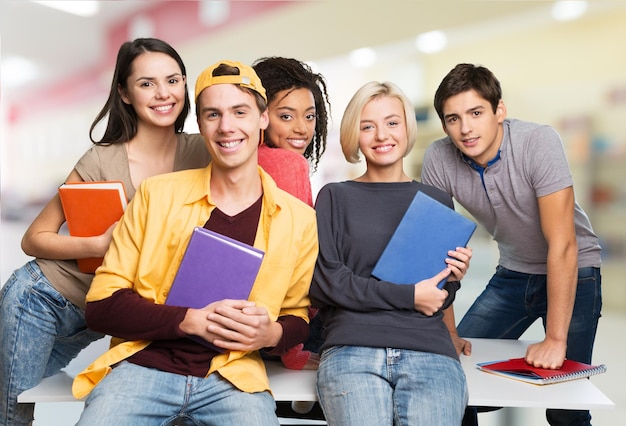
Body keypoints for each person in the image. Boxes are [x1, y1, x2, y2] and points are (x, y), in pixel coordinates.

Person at [71, 60, 318, 426]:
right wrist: (189, 321)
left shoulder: (298, 218)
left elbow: (297, 315)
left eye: (240, 112)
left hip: (232, 377)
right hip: (143, 367)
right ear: (200, 124)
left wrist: (272, 333)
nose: (227, 126)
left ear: (262, 119)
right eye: (213, 114)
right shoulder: (157, 196)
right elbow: (102, 307)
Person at [0, 37, 210, 426]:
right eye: (146, 83)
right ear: (125, 94)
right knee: (14, 414)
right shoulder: (102, 158)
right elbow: (33, 238)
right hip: (46, 301)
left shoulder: (204, 152)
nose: (164, 93)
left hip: (110, 313)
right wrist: (99, 243)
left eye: (173, 80)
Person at [421, 63, 602, 426]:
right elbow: (434, 251)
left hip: (575, 271)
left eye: (475, 113)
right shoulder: (439, 157)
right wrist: (450, 333)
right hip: (514, 274)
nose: (466, 128)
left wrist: (554, 338)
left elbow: (564, 244)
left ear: (499, 110)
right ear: (444, 125)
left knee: (566, 406)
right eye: (453, 118)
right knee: (453, 379)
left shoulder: (538, 142)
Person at [310, 81, 472, 425]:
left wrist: (452, 278)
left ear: (407, 128)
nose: (381, 135)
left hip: (428, 349)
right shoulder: (334, 197)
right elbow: (327, 283)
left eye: (392, 123)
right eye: (368, 126)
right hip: (352, 348)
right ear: (355, 134)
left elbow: (436, 299)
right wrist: (409, 296)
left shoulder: (436, 201)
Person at [253, 56, 331, 371]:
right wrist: (292, 348)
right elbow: (293, 259)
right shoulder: (287, 164)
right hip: (283, 330)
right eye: (286, 116)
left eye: (310, 116)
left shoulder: (236, 160)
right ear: (261, 116)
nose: (302, 128)